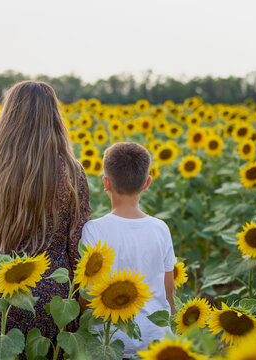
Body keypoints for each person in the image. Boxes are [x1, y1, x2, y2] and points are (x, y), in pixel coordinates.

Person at [0, 81, 91, 358]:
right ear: (54, 118)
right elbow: (77, 243)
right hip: (56, 297)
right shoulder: (72, 172)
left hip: (3, 297)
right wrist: (82, 302)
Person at [81, 142, 176, 358]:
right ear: (147, 183)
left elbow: (86, 293)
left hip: (109, 339)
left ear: (106, 183)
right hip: (156, 339)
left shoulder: (93, 230)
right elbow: (169, 291)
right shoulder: (161, 229)